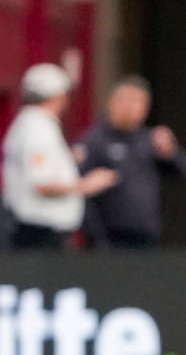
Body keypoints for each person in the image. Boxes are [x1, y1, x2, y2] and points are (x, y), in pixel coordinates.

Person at [2, 63, 118, 250]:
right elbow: (41, 183)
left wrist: (66, 160)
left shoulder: (29, 125)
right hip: (40, 232)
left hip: (36, 229)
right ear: (59, 97)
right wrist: (86, 185)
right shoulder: (38, 129)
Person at [76, 74, 186, 249]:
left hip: (148, 237)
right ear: (111, 103)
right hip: (109, 240)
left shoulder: (149, 140)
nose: (132, 107)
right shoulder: (93, 141)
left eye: (139, 102)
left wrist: (171, 153)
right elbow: (80, 190)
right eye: (127, 100)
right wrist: (95, 236)